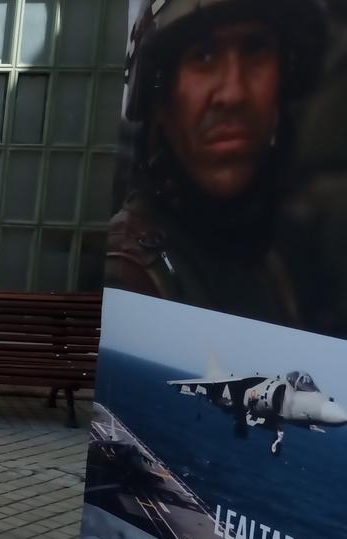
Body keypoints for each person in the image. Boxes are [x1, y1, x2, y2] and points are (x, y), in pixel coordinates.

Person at [107, 0, 325, 325]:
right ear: (160, 98)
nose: (234, 94)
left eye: (255, 49)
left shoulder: (275, 259)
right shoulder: (127, 275)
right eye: (203, 55)